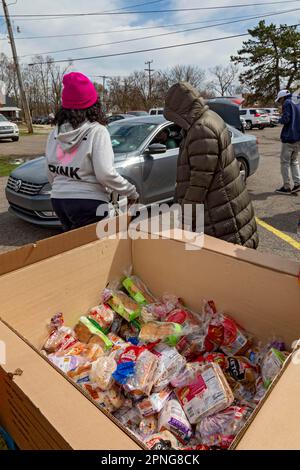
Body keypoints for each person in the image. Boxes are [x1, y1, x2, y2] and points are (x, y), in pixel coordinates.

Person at [163, 81, 258, 249]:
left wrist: (185, 218)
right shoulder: (208, 119)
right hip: (223, 208)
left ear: (181, 109)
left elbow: (199, 183)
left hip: (220, 215)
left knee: (225, 268)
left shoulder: (201, 129)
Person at [46, 72, 138, 231]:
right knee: (92, 251)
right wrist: (131, 191)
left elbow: (49, 169)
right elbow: (105, 174)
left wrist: (63, 188)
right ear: (94, 105)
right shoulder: (97, 131)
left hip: (58, 200)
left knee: (73, 248)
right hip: (88, 202)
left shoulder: (55, 134)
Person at [275, 89, 300, 195]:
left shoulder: (287, 103)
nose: (280, 103)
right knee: (294, 161)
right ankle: (298, 183)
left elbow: (286, 119)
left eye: (280, 100)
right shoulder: (297, 101)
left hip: (289, 137)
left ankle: (286, 187)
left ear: (282, 97)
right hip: (298, 138)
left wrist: (278, 120)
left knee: (284, 162)